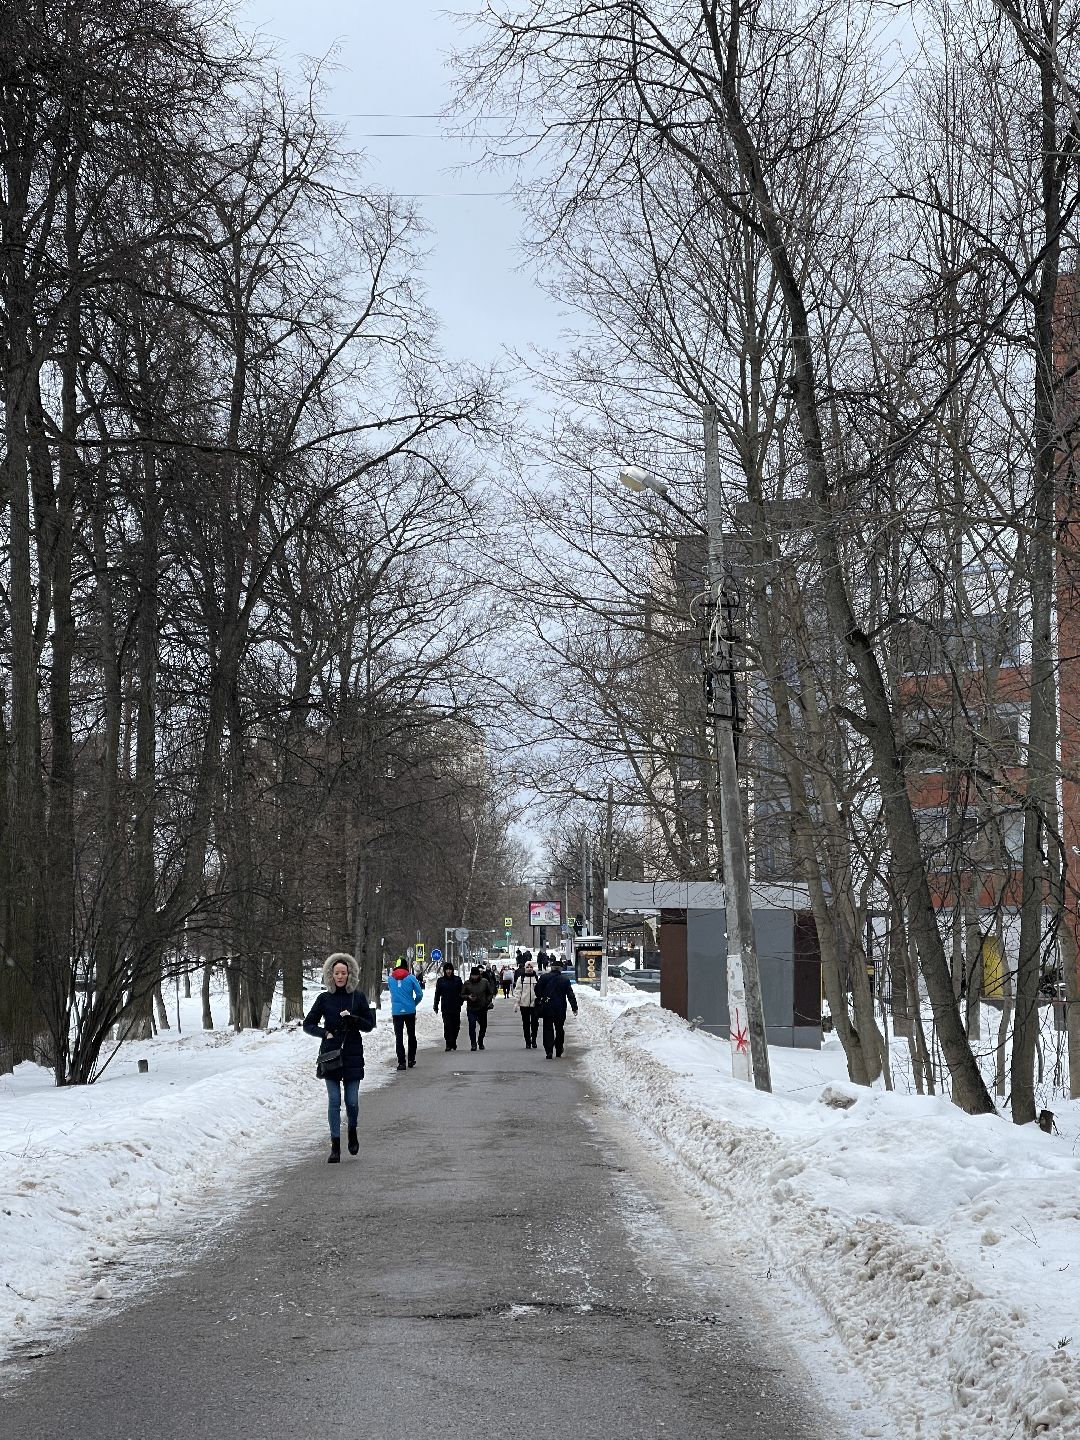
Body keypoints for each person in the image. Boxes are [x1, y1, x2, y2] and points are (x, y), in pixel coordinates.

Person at [303, 952, 376, 1162]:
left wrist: (354, 1020)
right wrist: (324, 1033)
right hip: (331, 1054)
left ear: (350, 974)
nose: (340, 976)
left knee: (351, 1102)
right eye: (337, 973)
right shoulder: (324, 999)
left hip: (352, 1052)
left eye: (344, 973)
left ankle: (352, 1130)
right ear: (330, 975)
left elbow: (369, 1025)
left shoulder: (358, 997)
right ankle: (335, 1146)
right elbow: (308, 1024)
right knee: (334, 1101)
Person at [534, 958, 578, 1059]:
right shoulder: (565, 980)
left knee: (548, 1028)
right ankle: (559, 1049)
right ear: (560, 969)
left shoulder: (544, 977)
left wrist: (543, 997)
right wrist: (574, 1007)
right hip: (560, 1008)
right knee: (559, 1029)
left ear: (551, 968)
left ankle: (549, 1051)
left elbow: (537, 991)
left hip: (547, 1007)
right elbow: (570, 994)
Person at [388, 955, 424, 1071]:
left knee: (399, 1037)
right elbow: (419, 994)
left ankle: (401, 1062)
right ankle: (411, 1059)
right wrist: (413, 1003)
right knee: (411, 1035)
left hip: (397, 1012)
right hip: (409, 1010)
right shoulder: (411, 978)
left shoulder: (390, 979)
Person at [462, 963, 495, 1051]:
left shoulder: (484, 982)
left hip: (482, 1008)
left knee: (483, 1026)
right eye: (473, 975)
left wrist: (487, 1001)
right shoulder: (467, 983)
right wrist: (468, 997)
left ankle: (480, 1041)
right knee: (472, 1025)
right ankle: (473, 1043)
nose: (475, 977)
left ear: (479, 975)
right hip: (471, 1008)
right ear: (471, 975)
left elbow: (490, 993)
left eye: (476, 975)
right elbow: (461, 995)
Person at [433, 961, 464, 1051]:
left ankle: (453, 1041)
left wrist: (460, 1002)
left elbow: (462, 992)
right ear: (444, 971)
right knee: (447, 1025)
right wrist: (436, 1005)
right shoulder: (441, 981)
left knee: (456, 1026)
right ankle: (448, 1043)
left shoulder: (457, 980)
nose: (448, 971)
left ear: (452, 970)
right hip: (445, 1007)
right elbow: (437, 994)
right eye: (447, 969)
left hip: (456, 1007)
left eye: (450, 969)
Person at [512, 958, 540, 1049]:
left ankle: (534, 1040)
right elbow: (518, 991)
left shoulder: (536, 978)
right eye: (527, 967)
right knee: (526, 1023)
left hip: (534, 1004)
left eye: (531, 966)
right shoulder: (522, 978)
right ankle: (528, 1041)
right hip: (524, 1004)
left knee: (535, 1023)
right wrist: (517, 1002)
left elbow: (540, 991)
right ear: (525, 968)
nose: (529, 968)